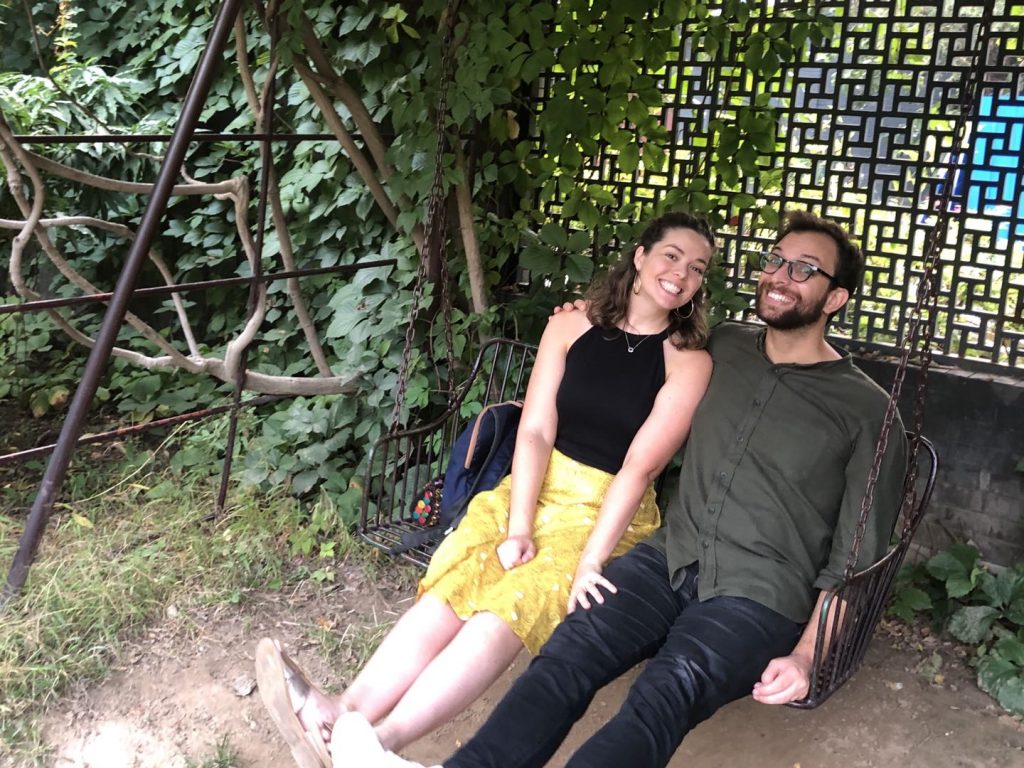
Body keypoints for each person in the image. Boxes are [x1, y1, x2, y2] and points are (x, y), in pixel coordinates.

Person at [326, 209, 910, 768]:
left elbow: (855, 558)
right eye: (776, 260)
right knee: (569, 651)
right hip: (668, 559)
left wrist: (807, 655)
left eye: (805, 269)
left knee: (667, 690)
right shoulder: (722, 347)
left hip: (759, 593)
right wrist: (580, 315)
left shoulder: (868, 412)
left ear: (835, 298)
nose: (781, 276)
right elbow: (635, 331)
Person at [256, 211, 719, 768]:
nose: (682, 274)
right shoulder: (569, 326)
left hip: (604, 510)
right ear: (640, 257)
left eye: (698, 268)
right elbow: (536, 430)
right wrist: (519, 526)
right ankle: (343, 712)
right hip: (532, 484)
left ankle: (382, 743)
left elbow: (639, 469)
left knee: (512, 602)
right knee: (461, 577)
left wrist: (591, 560)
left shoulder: (687, 363)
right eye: (672, 255)